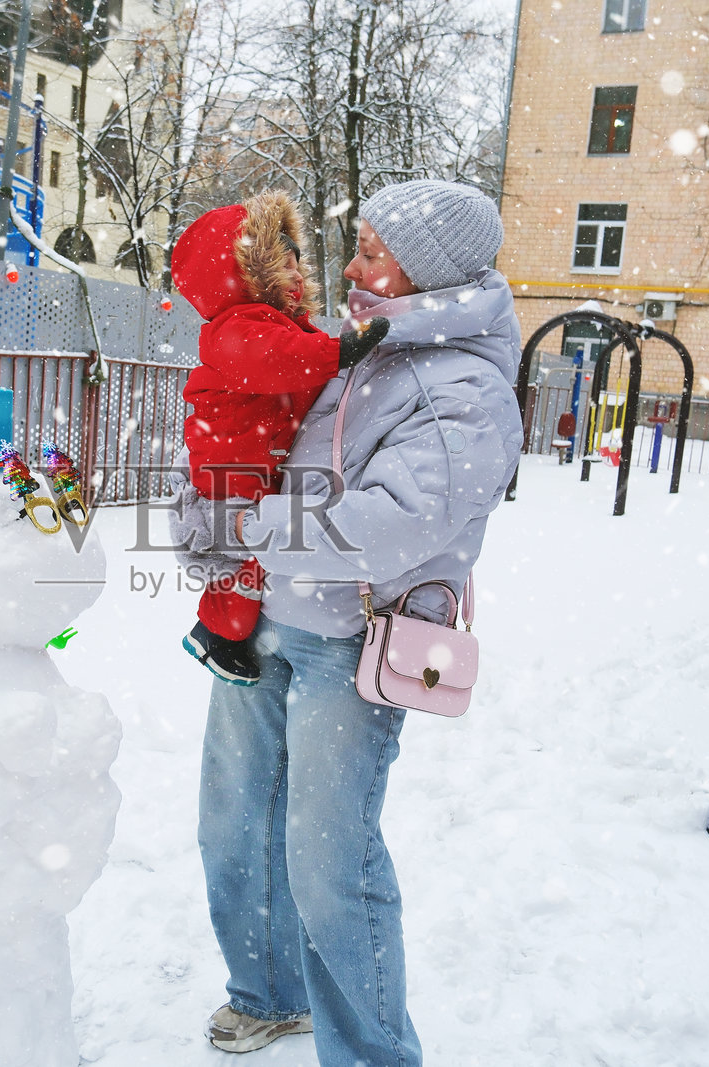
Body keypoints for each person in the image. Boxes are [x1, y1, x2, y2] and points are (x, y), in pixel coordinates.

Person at [168, 179, 525, 1065]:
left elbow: (391, 524)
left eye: (373, 251)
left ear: (428, 274)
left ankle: (370, 1054)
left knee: (331, 867)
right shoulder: (360, 345)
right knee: (236, 827)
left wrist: (245, 530)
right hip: (263, 623)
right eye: (358, 245)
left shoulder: (464, 385)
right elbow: (258, 443)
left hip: (351, 642)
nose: (352, 264)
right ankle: (269, 995)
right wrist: (205, 503)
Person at [169, 190, 388, 685]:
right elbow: (279, 359)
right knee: (242, 560)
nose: (296, 275)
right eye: (282, 265)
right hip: (230, 464)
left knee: (251, 555)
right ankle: (215, 633)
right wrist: (341, 351)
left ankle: (221, 628)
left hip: (253, 460)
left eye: (296, 264)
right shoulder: (235, 329)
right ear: (245, 275)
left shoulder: (278, 326)